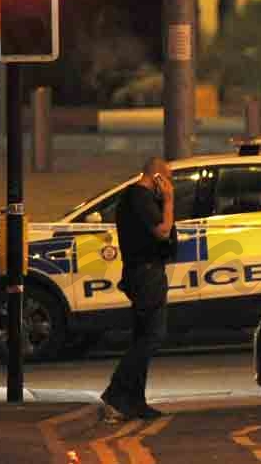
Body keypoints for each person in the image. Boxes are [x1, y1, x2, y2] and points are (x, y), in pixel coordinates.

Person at [100, 157, 176, 423]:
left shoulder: (136, 198)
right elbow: (163, 231)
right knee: (152, 336)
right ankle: (115, 394)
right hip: (145, 274)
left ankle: (135, 401)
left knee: (143, 336)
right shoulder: (140, 198)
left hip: (143, 273)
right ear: (157, 178)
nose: (170, 186)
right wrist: (168, 201)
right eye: (168, 180)